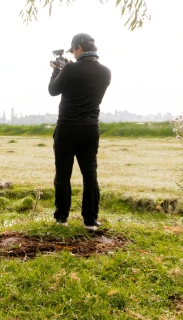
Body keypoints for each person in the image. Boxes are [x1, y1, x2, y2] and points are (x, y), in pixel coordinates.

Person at [48, 33, 111, 231]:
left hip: (67, 128)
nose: (73, 55)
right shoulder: (105, 72)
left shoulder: (70, 68)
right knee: (90, 174)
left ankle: (62, 218)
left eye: (74, 51)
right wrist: (66, 68)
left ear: (79, 48)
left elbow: (53, 90)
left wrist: (57, 70)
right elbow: (82, 79)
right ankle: (91, 220)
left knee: (63, 174)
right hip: (90, 129)